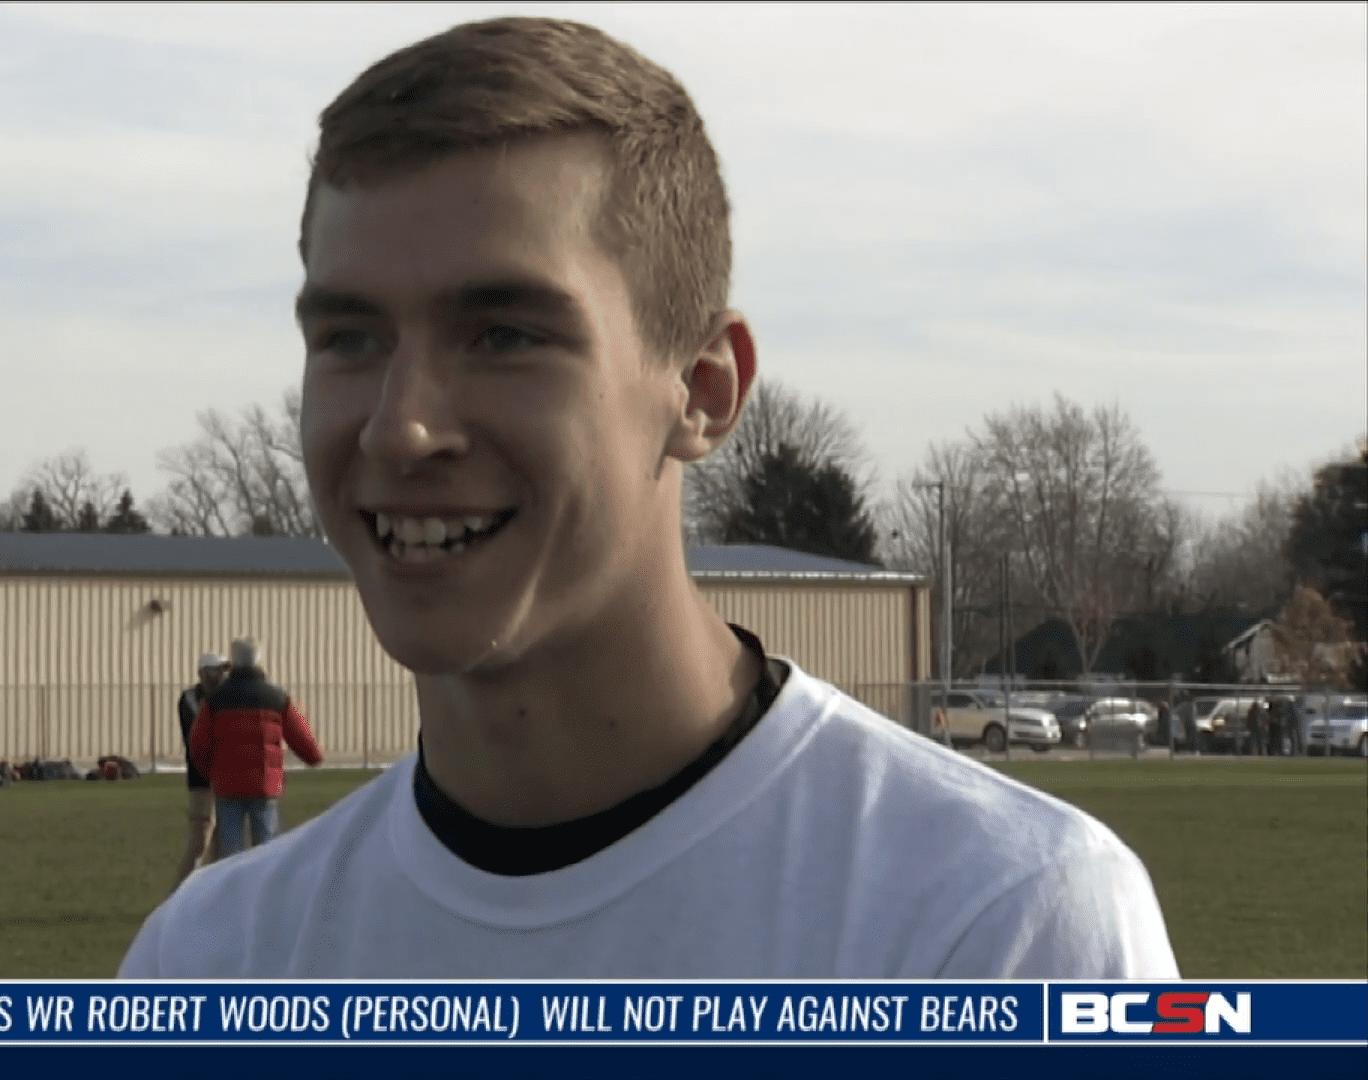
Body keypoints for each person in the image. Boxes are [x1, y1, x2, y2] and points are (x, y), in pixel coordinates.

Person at [122, 16, 1177, 979]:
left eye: (505, 334)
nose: (401, 426)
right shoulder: (214, 958)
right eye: (349, 338)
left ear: (704, 392)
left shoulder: (1001, 922)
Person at [187, 638, 323, 858]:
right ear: (258, 659)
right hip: (265, 786)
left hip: (227, 787)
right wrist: (316, 755)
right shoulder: (277, 698)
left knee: (230, 856)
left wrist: (211, 774)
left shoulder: (215, 700)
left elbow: (198, 744)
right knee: (268, 854)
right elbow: (306, 746)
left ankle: (233, 891)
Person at [171, 653, 229, 889]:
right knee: (200, 839)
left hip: (225, 776)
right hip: (201, 777)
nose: (221, 675)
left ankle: (213, 892)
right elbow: (202, 736)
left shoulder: (224, 697)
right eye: (216, 670)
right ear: (202, 673)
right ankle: (179, 895)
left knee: (221, 842)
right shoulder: (192, 699)